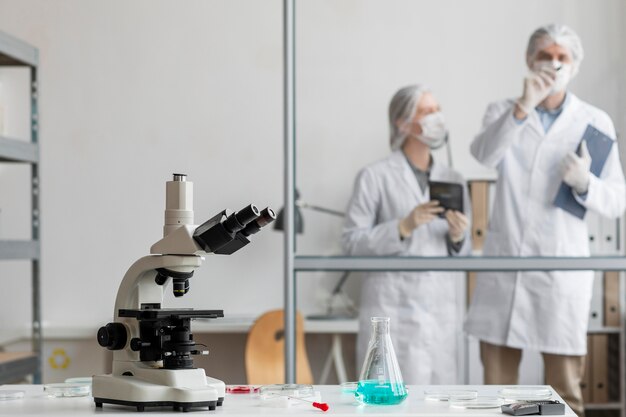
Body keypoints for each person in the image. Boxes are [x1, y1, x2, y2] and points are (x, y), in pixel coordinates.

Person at [465, 24, 626, 416]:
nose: (553, 64)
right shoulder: (503, 110)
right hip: (506, 270)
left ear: (575, 65)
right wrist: (523, 107)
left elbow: (617, 201)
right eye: (545, 56)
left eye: (562, 57)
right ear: (528, 60)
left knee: (565, 394)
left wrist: (585, 182)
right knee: (496, 396)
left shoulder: (595, 120)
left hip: (560, 272)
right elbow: (483, 156)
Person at [342, 85, 471, 384]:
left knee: (441, 405)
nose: (436, 117)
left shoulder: (454, 180)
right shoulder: (374, 176)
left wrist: (457, 238)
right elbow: (350, 243)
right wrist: (402, 227)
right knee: (390, 403)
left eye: (437, 110)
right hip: (392, 309)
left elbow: (463, 255)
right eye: (427, 111)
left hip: (440, 312)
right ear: (402, 122)